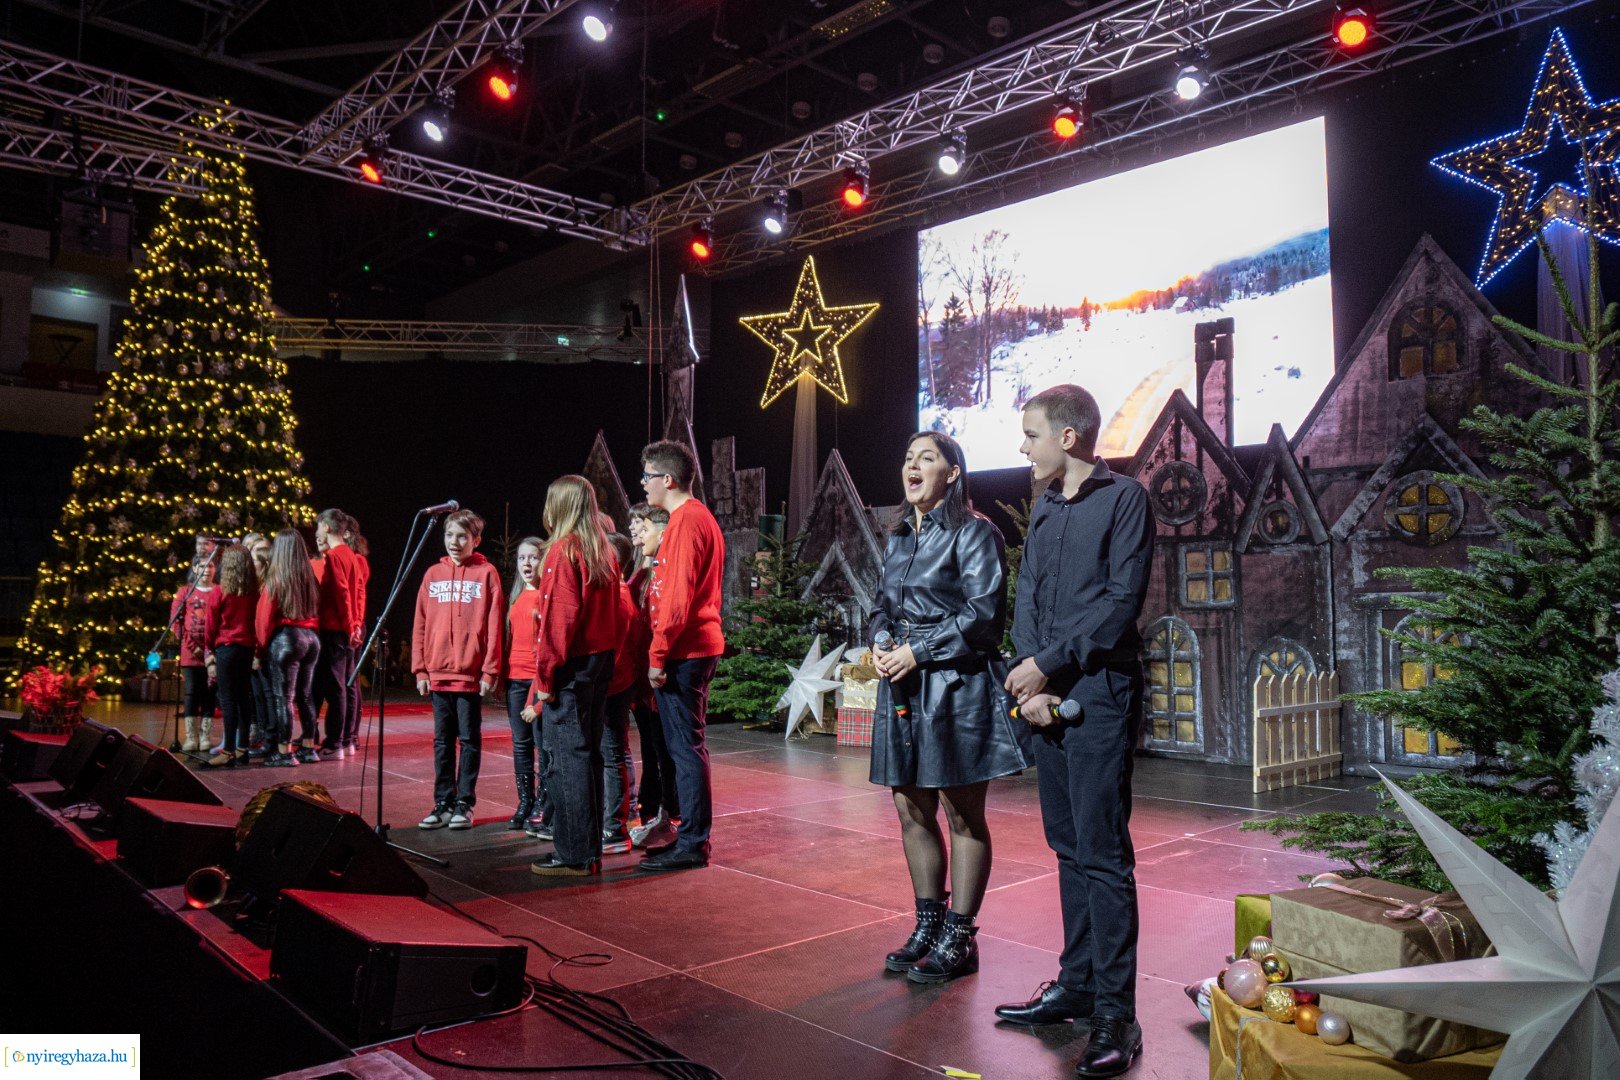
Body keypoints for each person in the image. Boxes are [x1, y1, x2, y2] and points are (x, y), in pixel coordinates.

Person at [994, 384, 1154, 1079]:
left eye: (1031, 434)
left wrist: (1048, 669)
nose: (1023, 447)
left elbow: (1122, 603)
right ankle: (1079, 983)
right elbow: (1026, 596)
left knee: (1102, 854)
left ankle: (1117, 1013)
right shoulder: (1047, 508)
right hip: (1044, 695)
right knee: (1067, 848)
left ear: (1069, 436)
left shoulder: (1125, 500)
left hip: (1100, 694)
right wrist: (1025, 676)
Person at [870, 431, 1030, 984]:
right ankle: (927, 924)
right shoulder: (896, 539)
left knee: (962, 814)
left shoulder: (974, 531)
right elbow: (881, 607)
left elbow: (984, 615)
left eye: (927, 458)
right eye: (908, 457)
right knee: (910, 809)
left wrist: (918, 649)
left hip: (956, 688)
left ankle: (961, 936)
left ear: (953, 473)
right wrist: (881, 638)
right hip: (904, 688)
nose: (912, 466)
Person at [525, 477, 622, 876]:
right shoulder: (602, 549)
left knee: (567, 758)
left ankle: (574, 854)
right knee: (589, 753)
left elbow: (558, 624)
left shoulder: (563, 551)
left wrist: (544, 681)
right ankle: (589, 848)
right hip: (599, 661)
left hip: (572, 666)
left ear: (559, 506)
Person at [638, 440, 725, 871]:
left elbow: (677, 597)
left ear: (666, 479)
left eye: (647, 476)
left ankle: (693, 842)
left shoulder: (687, 521)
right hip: (690, 647)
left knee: (685, 750)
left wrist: (658, 653)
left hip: (685, 650)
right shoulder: (689, 518)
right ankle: (689, 837)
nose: (643, 484)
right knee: (685, 748)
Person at [414, 508, 504, 831]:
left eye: (462, 536)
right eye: (449, 535)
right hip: (438, 674)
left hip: (469, 675)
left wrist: (490, 672)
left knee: (468, 740)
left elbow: (494, 625)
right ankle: (442, 801)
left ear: (475, 540)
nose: (454, 541)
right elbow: (420, 623)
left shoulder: (487, 574)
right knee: (442, 742)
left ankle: (464, 802)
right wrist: (420, 670)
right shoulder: (431, 575)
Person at [626, 504, 677, 849]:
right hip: (641, 674)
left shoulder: (660, 573)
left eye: (641, 527)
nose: (636, 533)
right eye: (634, 527)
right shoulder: (641, 573)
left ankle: (667, 813)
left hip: (658, 671)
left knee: (664, 749)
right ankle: (651, 812)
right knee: (649, 744)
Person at [254, 530, 322, 768]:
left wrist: (259, 651)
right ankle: (308, 748)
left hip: (287, 639)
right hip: (312, 639)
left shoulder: (276, 579)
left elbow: (263, 622)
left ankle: (284, 752)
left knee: (284, 698)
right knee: (305, 696)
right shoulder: (310, 579)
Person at [504, 536, 552, 833]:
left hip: (537, 680)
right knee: (521, 745)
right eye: (522, 558)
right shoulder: (517, 595)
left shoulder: (546, 597)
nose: (526, 563)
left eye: (533, 557)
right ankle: (525, 800)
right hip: (515, 679)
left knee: (542, 745)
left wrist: (538, 700)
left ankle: (543, 803)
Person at [601, 532, 641, 854]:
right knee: (615, 752)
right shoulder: (613, 594)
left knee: (613, 754)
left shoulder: (620, 597)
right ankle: (617, 817)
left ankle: (615, 827)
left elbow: (615, 650)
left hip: (612, 686)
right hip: (613, 683)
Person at [313, 508, 365, 758]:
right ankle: (346, 740)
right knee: (344, 685)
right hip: (346, 628)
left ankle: (336, 743)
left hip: (334, 628)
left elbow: (343, 594)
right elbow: (358, 593)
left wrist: (348, 625)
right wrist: (356, 624)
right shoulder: (352, 556)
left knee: (336, 688)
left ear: (325, 527)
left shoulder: (334, 557)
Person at [203, 544, 259, 767]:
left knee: (227, 701)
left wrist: (209, 651)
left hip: (226, 649)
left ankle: (227, 751)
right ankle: (242, 748)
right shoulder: (254, 593)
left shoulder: (220, 591)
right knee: (244, 699)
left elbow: (210, 625)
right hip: (246, 649)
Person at [171, 552, 223, 753]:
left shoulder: (219, 591)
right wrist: (198, 650)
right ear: (194, 569)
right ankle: (191, 737)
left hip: (214, 653)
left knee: (210, 693)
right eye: (202, 566)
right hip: (191, 654)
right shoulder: (185, 592)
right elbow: (177, 625)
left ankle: (205, 736)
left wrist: (212, 652)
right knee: (192, 692)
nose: (206, 570)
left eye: (210, 566)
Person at [340, 515, 372, 755]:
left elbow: (356, 593)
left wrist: (356, 625)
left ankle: (351, 734)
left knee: (350, 680)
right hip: (349, 624)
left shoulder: (357, 560)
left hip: (354, 624)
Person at [243, 534, 274, 757]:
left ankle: (268, 736)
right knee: (256, 693)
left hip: (263, 648)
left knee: (266, 693)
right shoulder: (253, 585)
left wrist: (257, 652)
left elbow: (263, 621)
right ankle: (260, 732)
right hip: (253, 645)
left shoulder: (267, 586)